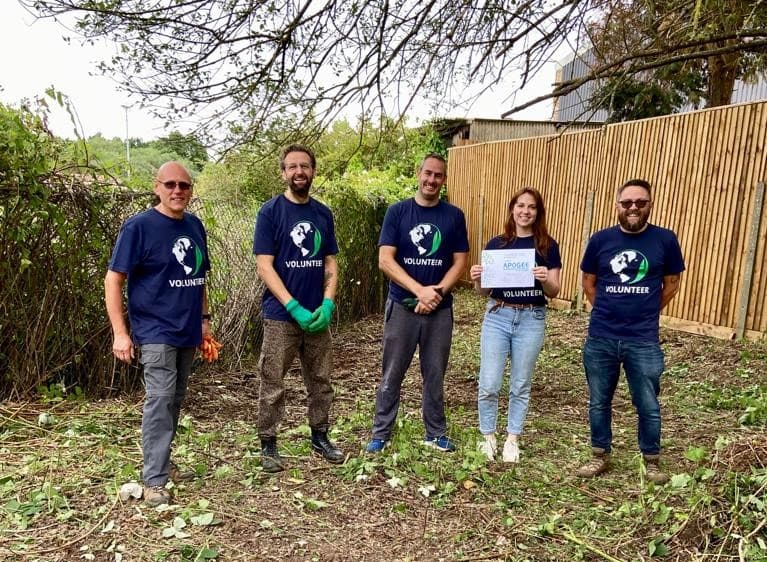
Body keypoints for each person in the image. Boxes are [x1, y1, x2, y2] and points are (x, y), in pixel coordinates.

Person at [105, 161, 211, 507]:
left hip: (187, 329)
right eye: (170, 185)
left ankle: (163, 464)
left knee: (175, 399)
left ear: (191, 190)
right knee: (160, 400)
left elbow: (200, 278)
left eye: (184, 185)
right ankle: (153, 479)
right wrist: (121, 333)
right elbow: (113, 279)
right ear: (157, 187)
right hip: (154, 330)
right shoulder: (139, 227)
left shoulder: (195, 226)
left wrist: (205, 321)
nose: (177, 191)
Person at [577, 178, 684, 484]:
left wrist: (647, 310)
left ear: (649, 204)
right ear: (618, 206)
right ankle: (599, 455)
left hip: (643, 339)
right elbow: (589, 282)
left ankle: (651, 461)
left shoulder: (664, 240)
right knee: (599, 400)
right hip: (602, 337)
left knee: (648, 403)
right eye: (627, 203)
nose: (633, 208)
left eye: (640, 202)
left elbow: (672, 282)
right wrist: (607, 309)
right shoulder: (600, 240)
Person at [366, 153, 469, 454]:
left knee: (435, 373)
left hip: (439, 310)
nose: (431, 180)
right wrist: (418, 291)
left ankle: (435, 433)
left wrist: (434, 293)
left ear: (444, 180)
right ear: (418, 173)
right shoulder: (398, 212)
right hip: (402, 306)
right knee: (392, 373)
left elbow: (460, 262)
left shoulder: (453, 216)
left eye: (438, 175)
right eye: (428, 173)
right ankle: (381, 433)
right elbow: (385, 260)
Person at [253, 144, 344, 473]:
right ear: (283, 173)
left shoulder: (322, 214)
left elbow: (330, 260)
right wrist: (292, 305)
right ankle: (268, 443)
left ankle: (320, 436)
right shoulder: (271, 212)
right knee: (272, 380)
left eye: (304, 166)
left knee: (321, 379)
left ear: (313, 171)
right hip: (280, 317)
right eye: (292, 167)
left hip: (317, 314)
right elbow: (264, 265)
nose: (298, 172)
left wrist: (328, 302)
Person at [469, 188, 561, 463]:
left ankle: (512, 438)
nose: (525, 211)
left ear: (538, 212)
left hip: (531, 318)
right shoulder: (497, 244)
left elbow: (554, 291)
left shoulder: (547, 246)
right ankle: (488, 436)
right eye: (520, 205)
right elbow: (483, 292)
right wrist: (476, 278)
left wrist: (544, 278)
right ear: (512, 209)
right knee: (489, 382)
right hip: (498, 315)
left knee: (520, 383)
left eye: (531, 207)